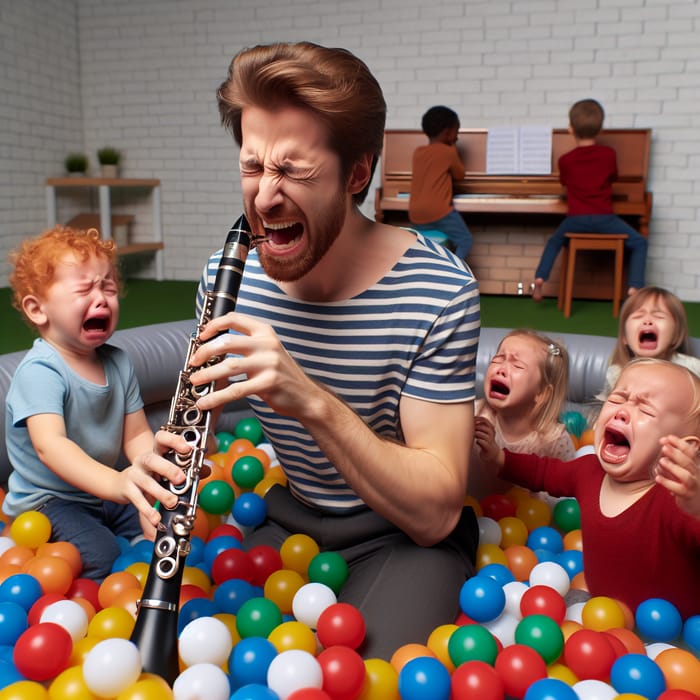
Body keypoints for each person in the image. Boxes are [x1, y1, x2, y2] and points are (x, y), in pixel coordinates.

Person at [158, 42, 481, 660]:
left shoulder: (440, 290)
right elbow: (194, 422)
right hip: (285, 516)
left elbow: (438, 510)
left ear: (357, 173)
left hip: (400, 537)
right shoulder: (229, 277)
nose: (265, 197)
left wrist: (307, 398)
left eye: (294, 171)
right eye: (253, 167)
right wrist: (158, 466)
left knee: (362, 673)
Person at [4, 225, 185, 581]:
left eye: (109, 287)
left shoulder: (118, 362)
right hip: (48, 502)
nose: (101, 298)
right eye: (84, 289)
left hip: (100, 491)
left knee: (163, 528)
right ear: (38, 310)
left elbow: (135, 436)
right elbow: (50, 447)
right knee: (102, 555)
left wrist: (152, 475)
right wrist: (117, 485)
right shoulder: (41, 371)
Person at [477, 357, 700, 619]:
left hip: (675, 632)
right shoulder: (588, 471)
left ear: (686, 449)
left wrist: (696, 508)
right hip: (600, 612)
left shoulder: (675, 501)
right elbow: (544, 472)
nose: (622, 410)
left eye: (646, 410)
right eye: (617, 398)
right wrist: (499, 458)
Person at [531, 98, 648, 301]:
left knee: (554, 241)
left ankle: (540, 277)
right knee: (639, 242)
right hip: (605, 219)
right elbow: (613, 177)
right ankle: (634, 287)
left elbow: (565, 183)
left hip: (575, 220)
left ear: (570, 128)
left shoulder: (565, 160)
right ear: (600, 129)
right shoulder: (609, 154)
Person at [470, 330, 576, 501]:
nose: (502, 369)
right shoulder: (474, 414)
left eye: (517, 365)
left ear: (541, 393)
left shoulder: (553, 440)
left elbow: (571, 490)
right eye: (498, 358)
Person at [600, 285, 700, 398]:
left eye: (659, 316)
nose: (647, 321)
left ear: (675, 336)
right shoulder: (616, 373)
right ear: (625, 337)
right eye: (638, 316)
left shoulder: (693, 369)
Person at [408, 105, 473, 261]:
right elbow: (460, 175)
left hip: (416, 215)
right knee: (465, 240)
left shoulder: (418, 152)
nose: (457, 137)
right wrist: (453, 148)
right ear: (448, 132)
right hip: (438, 213)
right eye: (456, 132)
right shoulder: (448, 151)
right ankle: (454, 271)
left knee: (428, 244)